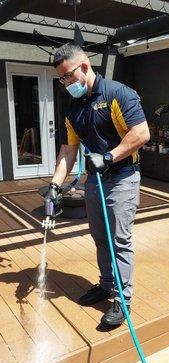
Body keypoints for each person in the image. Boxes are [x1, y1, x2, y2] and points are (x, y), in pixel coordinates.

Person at [45, 43, 150, 326]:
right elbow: (69, 150)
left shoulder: (118, 94)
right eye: (62, 78)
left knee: (119, 240)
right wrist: (55, 186)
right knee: (100, 237)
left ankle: (122, 299)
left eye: (67, 75)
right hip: (96, 181)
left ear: (85, 67)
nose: (65, 82)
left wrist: (108, 156)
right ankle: (105, 285)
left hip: (123, 177)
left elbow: (141, 133)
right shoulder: (73, 108)